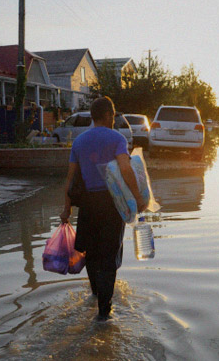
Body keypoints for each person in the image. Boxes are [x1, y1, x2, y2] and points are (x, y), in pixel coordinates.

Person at [60, 96, 147, 321]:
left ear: (92, 116)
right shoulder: (117, 138)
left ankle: (96, 293)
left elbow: (69, 179)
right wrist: (138, 197)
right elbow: (126, 170)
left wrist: (67, 208)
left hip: (87, 205)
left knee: (91, 252)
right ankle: (104, 314)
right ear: (109, 115)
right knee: (109, 257)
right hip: (111, 205)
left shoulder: (79, 141)